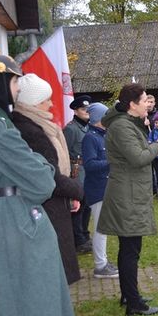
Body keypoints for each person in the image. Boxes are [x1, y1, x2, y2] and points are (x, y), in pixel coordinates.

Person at [0, 45, 74, 316]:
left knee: (19, 301)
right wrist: (41, 168)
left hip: (5, 215)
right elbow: (43, 181)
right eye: (16, 82)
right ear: (1, 83)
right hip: (14, 222)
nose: (19, 89)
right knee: (21, 305)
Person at [98, 83, 158, 316]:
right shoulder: (122, 127)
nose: (148, 103)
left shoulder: (127, 123)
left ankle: (129, 294)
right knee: (130, 250)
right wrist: (156, 146)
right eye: (144, 100)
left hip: (130, 192)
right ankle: (134, 304)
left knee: (130, 249)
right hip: (127, 195)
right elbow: (137, 157)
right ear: (131, 105)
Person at [13, 73, 83, 285]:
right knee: (51, 275)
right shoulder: (29, 130)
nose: (51, 104)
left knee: (56, 273)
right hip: (45, 206)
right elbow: (48, 172)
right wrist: (77, 190)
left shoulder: (38, 125)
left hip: (54, 202)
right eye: (46, 100)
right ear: (33, 103)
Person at [82, 102, 119, 278]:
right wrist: (111, 162)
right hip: (97, 189)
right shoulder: (90, 138)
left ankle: (103, 261)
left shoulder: (102, 135)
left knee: (104, 228)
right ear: (99, 119)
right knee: (100, 229)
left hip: (105, 187)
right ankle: (100, 265)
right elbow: (89, 165)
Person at [63, 93, 92, 254]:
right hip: (77, 171)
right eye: (83, 109)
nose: (86, 111)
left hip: (88, 171)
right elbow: (64, 151)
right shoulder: (71, 129)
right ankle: (78, 240)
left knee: (87, 205)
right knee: (77, 207)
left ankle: (85, 234)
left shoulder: (89, 127)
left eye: (88, 108)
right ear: (75, 111)